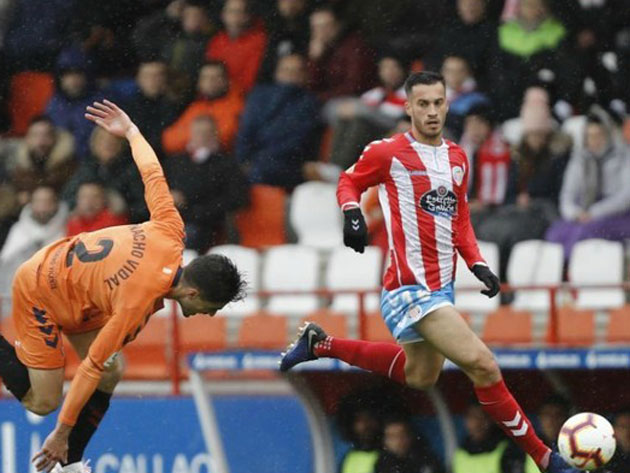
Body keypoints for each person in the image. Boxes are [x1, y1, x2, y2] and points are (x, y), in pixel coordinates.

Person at [280, 71, 581, 473]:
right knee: (484, 365)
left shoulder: (457, 158)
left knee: (421, 375)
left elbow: (459, 221)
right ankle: (544, 457)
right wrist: (352, 213)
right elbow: (348, 182)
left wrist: (477, 263)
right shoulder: (387, 152)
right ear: (408, 108)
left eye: (438, 102)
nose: (432, 111)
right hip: (407, 289)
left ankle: (321, 344)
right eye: (423, 104)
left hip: (441, 290)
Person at [0, 100, 245, 473]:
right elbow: (89, 367)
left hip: (79, 290)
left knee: (113, 369)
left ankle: (71, 465)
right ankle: (66, 449)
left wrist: (131, 132)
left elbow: (153, 175)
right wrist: (60, 432)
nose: (209, 315)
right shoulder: (137, 301)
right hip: (41, 290)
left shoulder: (171, 230)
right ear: (193, 293)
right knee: (42, 402)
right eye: (212, 307)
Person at [545, 108, 630, 259]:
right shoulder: (579, 159)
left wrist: (594, 212)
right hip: (583, 212)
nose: (594, 141)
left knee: (585, 232)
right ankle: (557, 272)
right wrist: (574, 213)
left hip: (617, 215)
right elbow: (567, 195)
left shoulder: (624, 156)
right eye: (590, 136)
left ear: (608, 135)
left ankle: (568, 272)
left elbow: (624, 197)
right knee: (554, 233)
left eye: (599, 135)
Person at [164, 115, 249, 252]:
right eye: (198, 133)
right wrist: (168, 196)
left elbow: (237, 198)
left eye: (206, 133)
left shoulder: (227, 164)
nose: (202, 137)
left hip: (207, 225)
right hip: (172, 221)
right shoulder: (177, 161)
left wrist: (199, 210)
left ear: (215, 134)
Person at [235, 53, 320, 190]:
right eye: (286, 70)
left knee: (259, 172)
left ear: (304, 76)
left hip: (286, 164)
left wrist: (258, 159)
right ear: (277, 73)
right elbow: (246, 130)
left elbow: (297, 141)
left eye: (296, 71)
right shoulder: (259, 95)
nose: (290, 75)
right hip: (255, 160)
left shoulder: (308, 102)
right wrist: (243, 159)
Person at [62, 126, 148, 223]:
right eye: (102, 140)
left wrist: (124, 211)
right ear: (94, 143)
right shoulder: (87, 167)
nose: (108, 145)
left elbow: (144, 207)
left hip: (123, 227)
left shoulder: (132, 170)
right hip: (88, 227)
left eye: (113, 141)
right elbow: (67, 197)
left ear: (121, 144)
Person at [162, 60, 244, 154]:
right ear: (199, 82)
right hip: (190, 160)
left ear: (226, 80)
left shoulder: (237, 105)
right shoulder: (196, 107)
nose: (210, 82)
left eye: (215, 77)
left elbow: (225, 137)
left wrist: (192, 141)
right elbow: (169, 140)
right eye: (205, 77)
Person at [0, 186, 69, 297]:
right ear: (31, 204)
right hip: (20, 292)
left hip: (55, 293)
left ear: (55, 204)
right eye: (38, 201)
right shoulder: (18, 229)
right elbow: (6, 262)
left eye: (47, 202)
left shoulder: (67, 227)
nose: (43, 207)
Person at [205, 0, 267, 94]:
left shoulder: (258, 40)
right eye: (230, 11)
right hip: (216, 94)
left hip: (244, 95)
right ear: (223, 15)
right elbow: (210, 72)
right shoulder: (216, 41)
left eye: (238, 11)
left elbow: (250, 78)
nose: (234, 15)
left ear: (247, 16)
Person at [453, 403, 521, 473]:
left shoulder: (507, 450)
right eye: (472, 417)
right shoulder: (460, 453)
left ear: (490, 420)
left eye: (480, 417)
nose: (476, 423)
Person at [376, 416, 443, 473]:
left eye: (402, 435)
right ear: (385, 440)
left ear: (410, 436)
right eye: (392, 436)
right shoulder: (381, 464)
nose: (398, 441)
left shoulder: (427, 461)